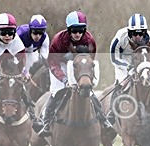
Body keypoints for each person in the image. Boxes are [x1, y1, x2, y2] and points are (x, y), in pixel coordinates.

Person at [37, 10, 116, 138]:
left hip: (80, 67)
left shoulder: (90, 40)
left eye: (81, 30)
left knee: (88, 92)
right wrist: (64, 79)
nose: (78, 34)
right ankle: (46, 124)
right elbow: (53, 64)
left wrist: (87, 78)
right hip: (60, 65)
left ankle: (104, 120)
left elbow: (91, 61)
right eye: (74, 31)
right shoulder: (58, 40)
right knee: (56, 91)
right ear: (68, 30)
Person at [109, 13, 150, 89]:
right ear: (129, 32)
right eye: (134, 33)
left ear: (145, 32)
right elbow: (114, 58)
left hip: (143, 62)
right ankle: (115, 99)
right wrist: (128, 67)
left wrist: (146, 68)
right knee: (121, 85)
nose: (137, 37)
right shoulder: (120, 37)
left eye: (140, 33)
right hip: (124, 60)